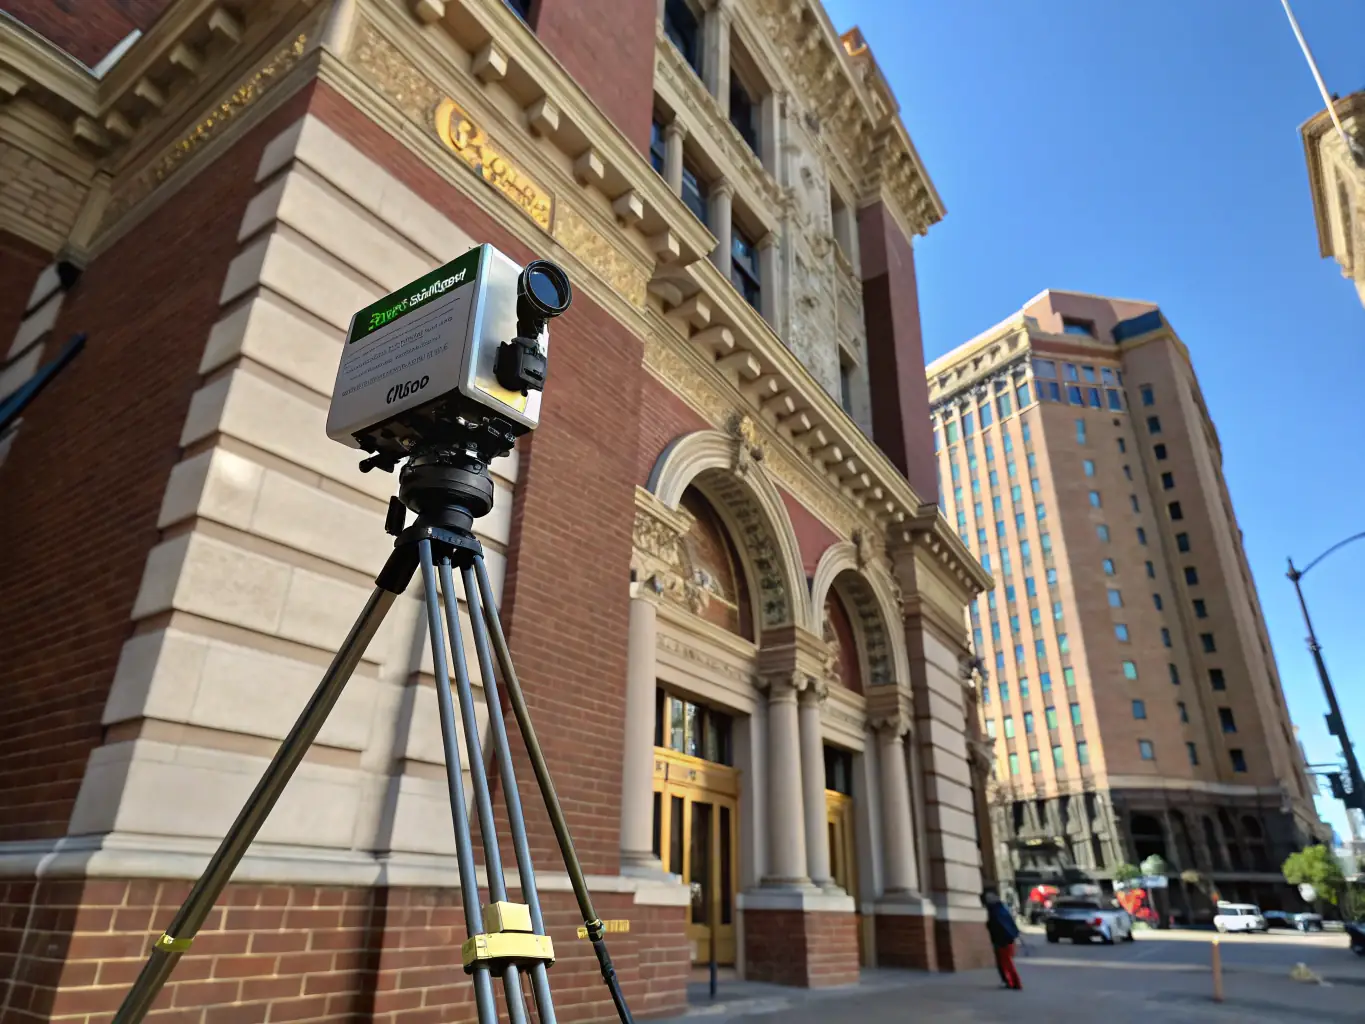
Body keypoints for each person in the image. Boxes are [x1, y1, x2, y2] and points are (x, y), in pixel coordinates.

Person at [982, 890, 1022, 990]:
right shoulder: (1001, 908)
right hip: (1005, 939)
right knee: (1005, 962)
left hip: (1002, 940)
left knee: (1005, 962)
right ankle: (1011, 982)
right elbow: (1009, 924)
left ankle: (1012, 982)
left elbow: (998, 926)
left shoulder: (995, 911)